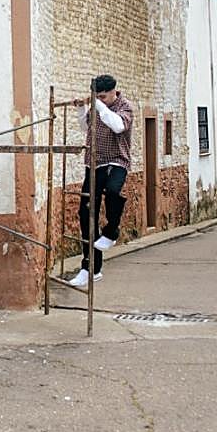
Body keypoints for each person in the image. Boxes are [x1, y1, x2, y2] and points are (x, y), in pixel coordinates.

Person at [68, 74, 133, 288]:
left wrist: (98, 105)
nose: (101, 100)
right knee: (86, 214)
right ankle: (90, 268)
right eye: (98, 97)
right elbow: (86, 128)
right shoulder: (97, 107)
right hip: (94, 164)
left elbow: (117, 126)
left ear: (114, 91)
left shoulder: (124, 107)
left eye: (104, 97)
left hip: (116, 162)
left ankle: (112, 231)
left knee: (113, 192)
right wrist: (82, 109)